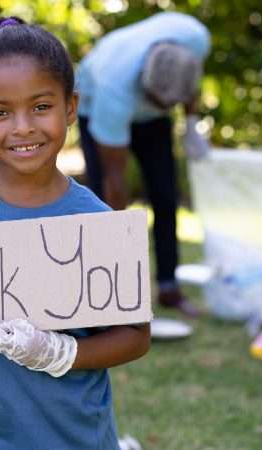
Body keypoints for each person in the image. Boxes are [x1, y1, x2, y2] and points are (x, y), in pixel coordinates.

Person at [0, 17, 151, 448]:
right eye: (0, 112)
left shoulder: (99, 221)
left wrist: (59, 352)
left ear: (70, 108)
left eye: (41, 106)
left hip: (74, 434)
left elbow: (135, 337)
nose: (23, 127)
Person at [76, 12, 211, 317]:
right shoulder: (115, 91)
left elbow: (192, 82)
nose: (168, 108)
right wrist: (121, 246)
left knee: (165, 196)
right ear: (145, 88)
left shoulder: (195, 38)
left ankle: (168, 287)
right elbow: (116, 178)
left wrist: (190, 123)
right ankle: (105, 288)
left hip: (152, 123)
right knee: (102, 203)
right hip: (93, 104)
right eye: (161, 102)